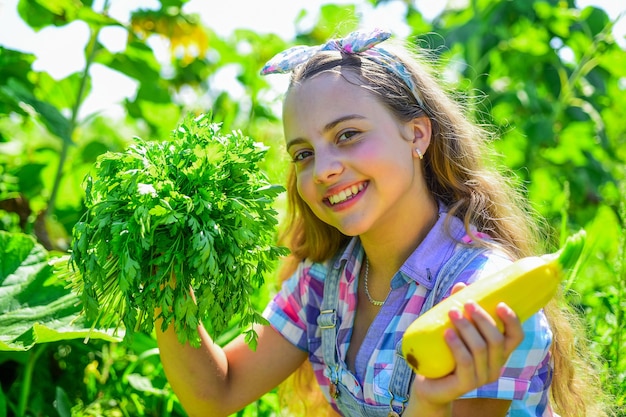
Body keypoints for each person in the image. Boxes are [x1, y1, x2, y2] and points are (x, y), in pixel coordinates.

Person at [156, 28, 608, 416]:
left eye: (347, 135)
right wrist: (164, 276)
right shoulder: (326, 282)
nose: (324, 169)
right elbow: (217, 393)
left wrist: (430, 402)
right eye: (304, 154)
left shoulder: (485, 299)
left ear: (417, 134)